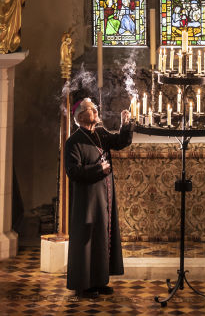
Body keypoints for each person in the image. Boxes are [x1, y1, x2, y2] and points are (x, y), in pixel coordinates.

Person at [65, 98, 133, 298]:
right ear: (79, 116)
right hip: (87, 200)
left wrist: (125, 124)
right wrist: (98, 169)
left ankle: (100, 281)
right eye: (90, 107)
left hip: (104, 196)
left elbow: (120, 143)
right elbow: (73, 172)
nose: (95, 109)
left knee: (102, 237)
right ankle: (84, 285)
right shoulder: (73, 141)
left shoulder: (101, 133)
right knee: (87, 240)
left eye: (94, 106)